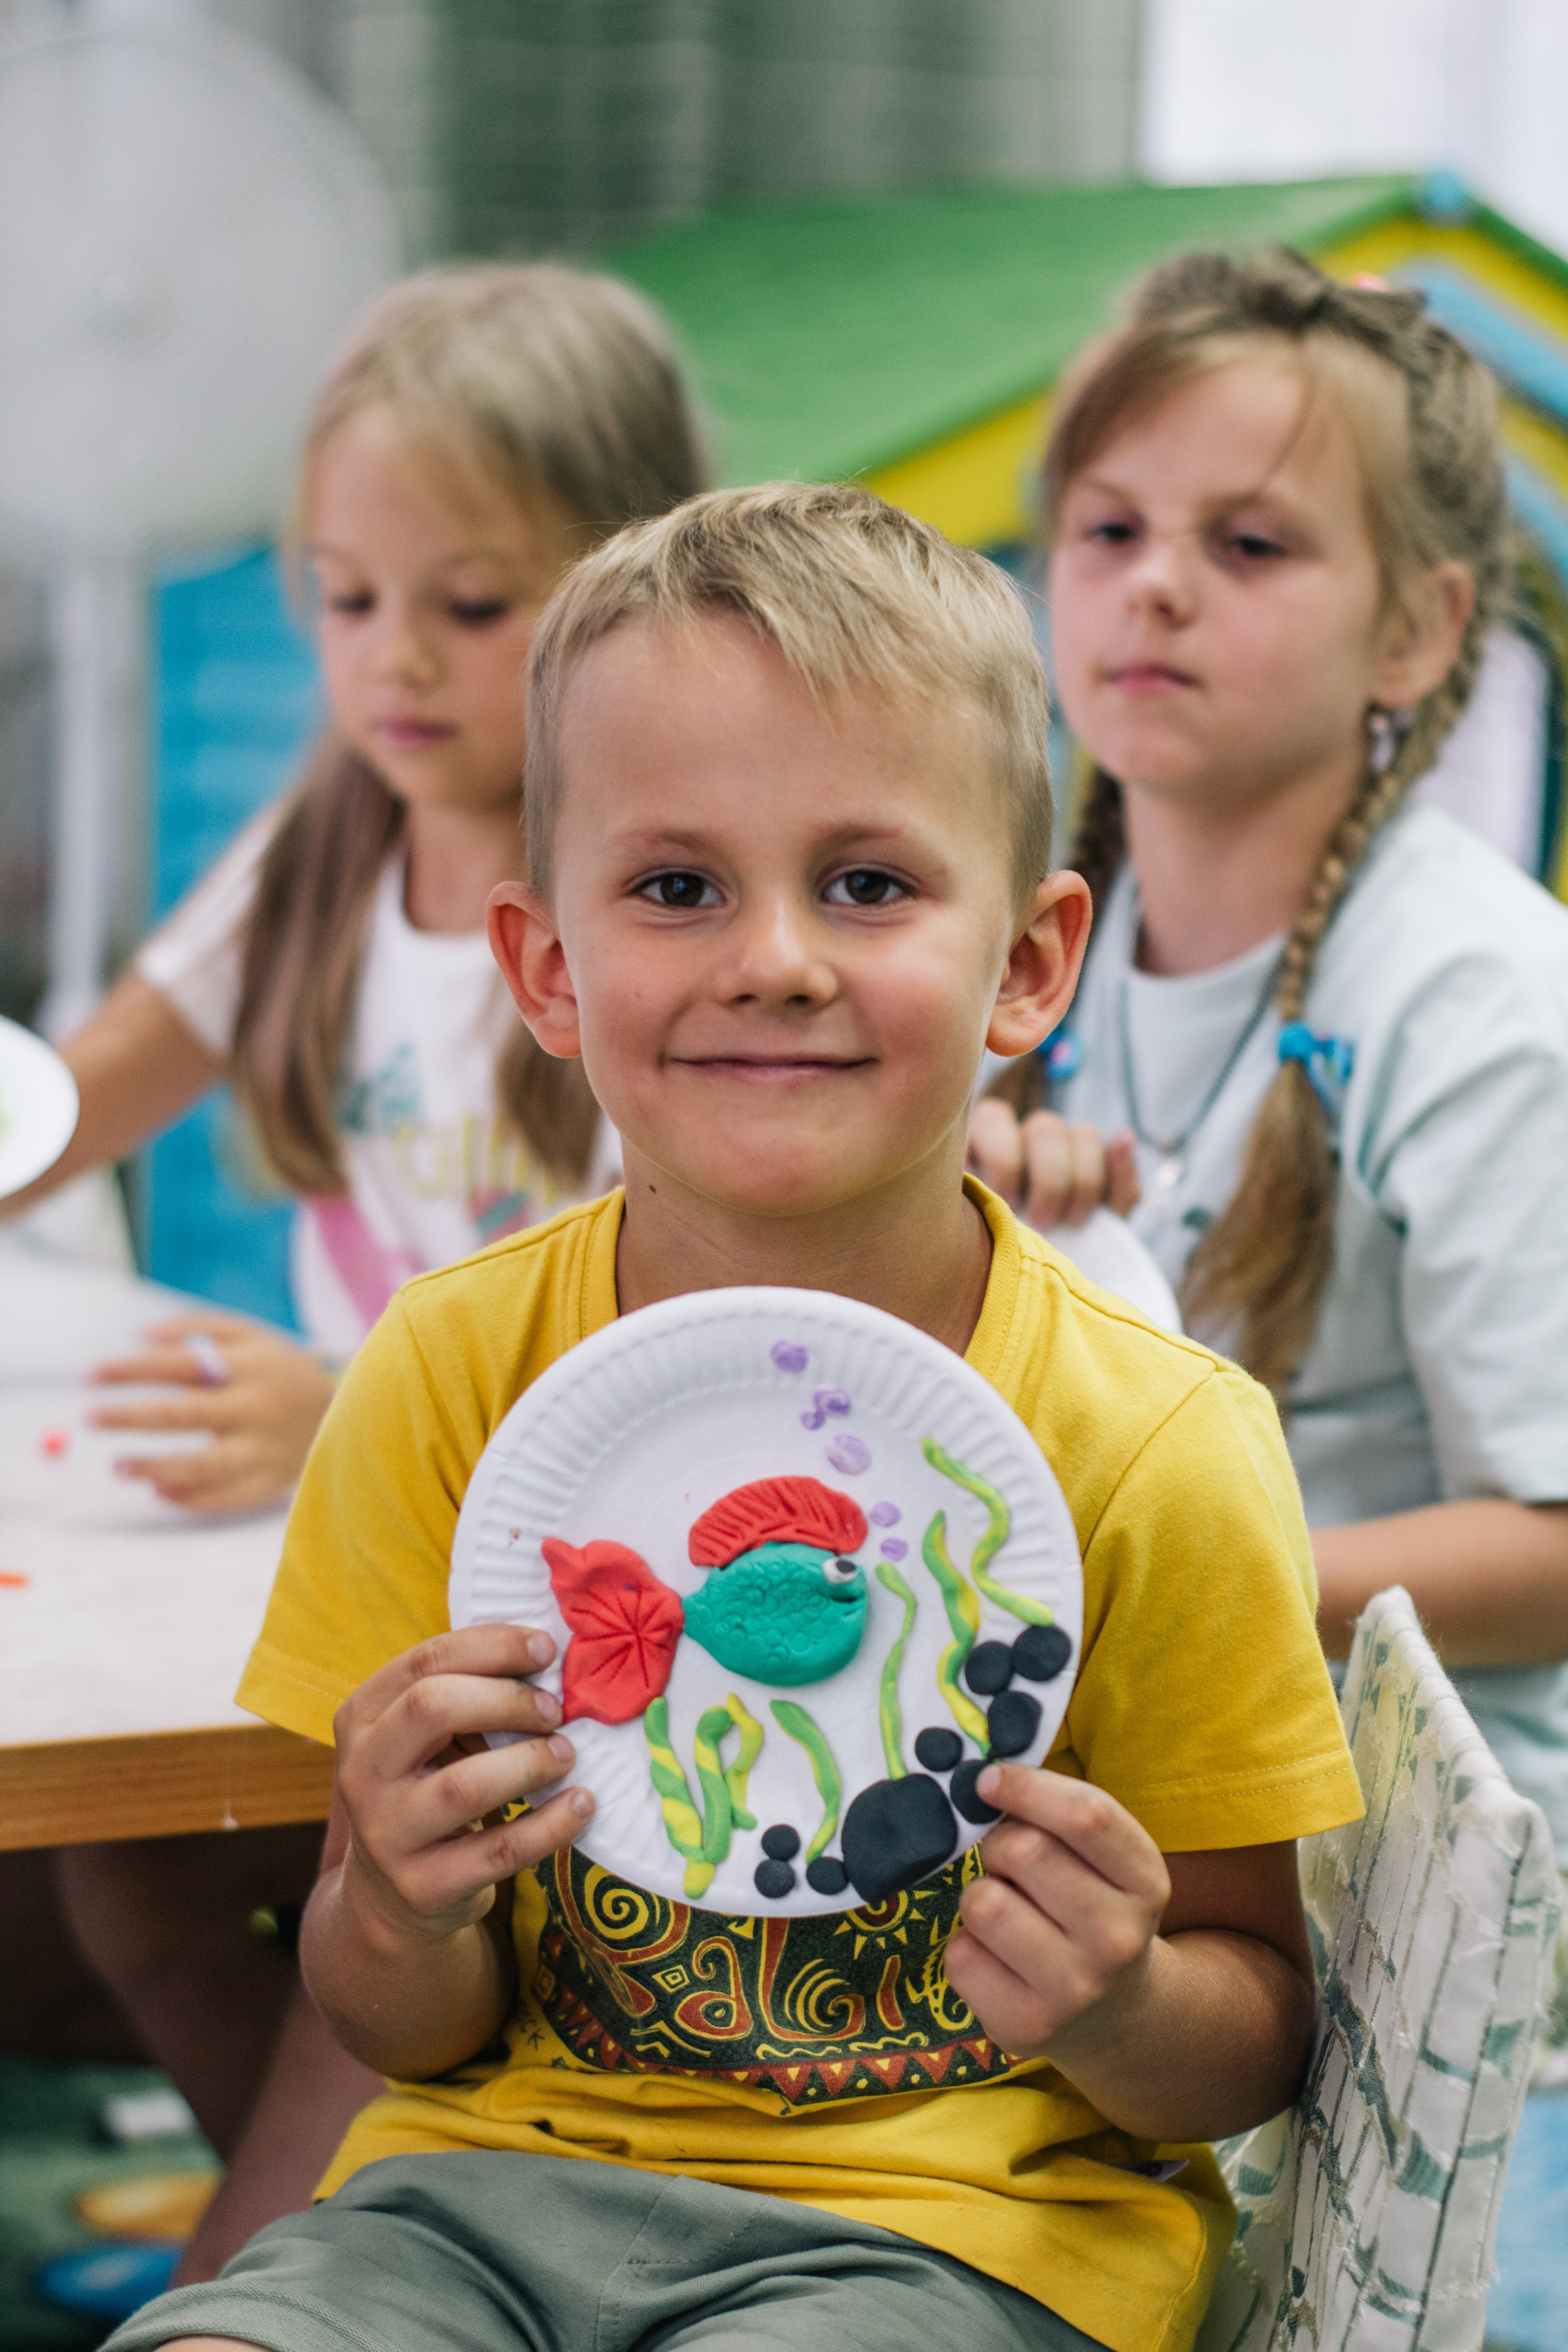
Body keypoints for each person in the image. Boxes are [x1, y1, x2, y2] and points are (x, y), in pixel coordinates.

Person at [105, 483, 1362, 2352]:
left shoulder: (1155, 1441)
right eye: (678, 886)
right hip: (471, 2202)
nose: (774, 955)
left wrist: (1113, 2003)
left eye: (868, 882)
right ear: (546, 968)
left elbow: (1251, 2030)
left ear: (1029, 961)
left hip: (956, 2248)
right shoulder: (453, 1378)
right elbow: (392, 2017)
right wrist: (403, 1897)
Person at [9, 262, 710, 2280]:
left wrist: (342, 1402)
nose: (392, 658)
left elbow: (662, 1323)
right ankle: (377, 2259)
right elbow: (77, 1099)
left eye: (470, 604)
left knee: (348, 1977)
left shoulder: (647, 890)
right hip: (358, 1539)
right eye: (343, 594)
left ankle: (310, 2263)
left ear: (621, 582)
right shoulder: (332, 834)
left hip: (555, 1600)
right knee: (130, 1889)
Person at [970, 251, 1568, 1871]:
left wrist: (1143, 1581)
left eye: (1249, 544)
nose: (1156, 585)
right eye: (1109, 530)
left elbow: (1557, 1550)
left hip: (1411, 1852)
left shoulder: (1489, 1002)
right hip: (1117, 1758)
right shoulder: (1012, 954)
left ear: (1420, 630)